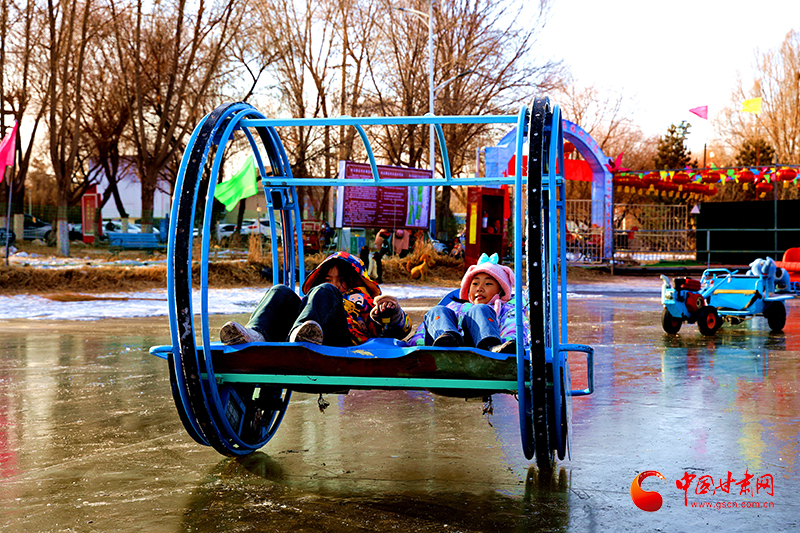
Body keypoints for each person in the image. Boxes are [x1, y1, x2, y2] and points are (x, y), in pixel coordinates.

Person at [220, 251, 411, 346]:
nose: (335, 285)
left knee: (327, 291)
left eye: (342, 280)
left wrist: (391, 313)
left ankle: (304, 334)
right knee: (280, 291)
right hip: (297, 335)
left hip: (340, 342)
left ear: (354, 280)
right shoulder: (315, 297)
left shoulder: (364, 300)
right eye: (328, 280)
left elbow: (399, 332)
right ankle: (254, 335)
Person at [405, 253, 526, 353]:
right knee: (437, 311)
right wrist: (416, 344)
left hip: (482, 349)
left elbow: (513, 327)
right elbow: (428, 325)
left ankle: (490, 343)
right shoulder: (455, 306)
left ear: (501, 290)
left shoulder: (507, 309)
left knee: (480, 309)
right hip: (441, 348)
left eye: (488, 284)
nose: (479, 288)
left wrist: (509, 344)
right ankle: (447, 339)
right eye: (475, 283)